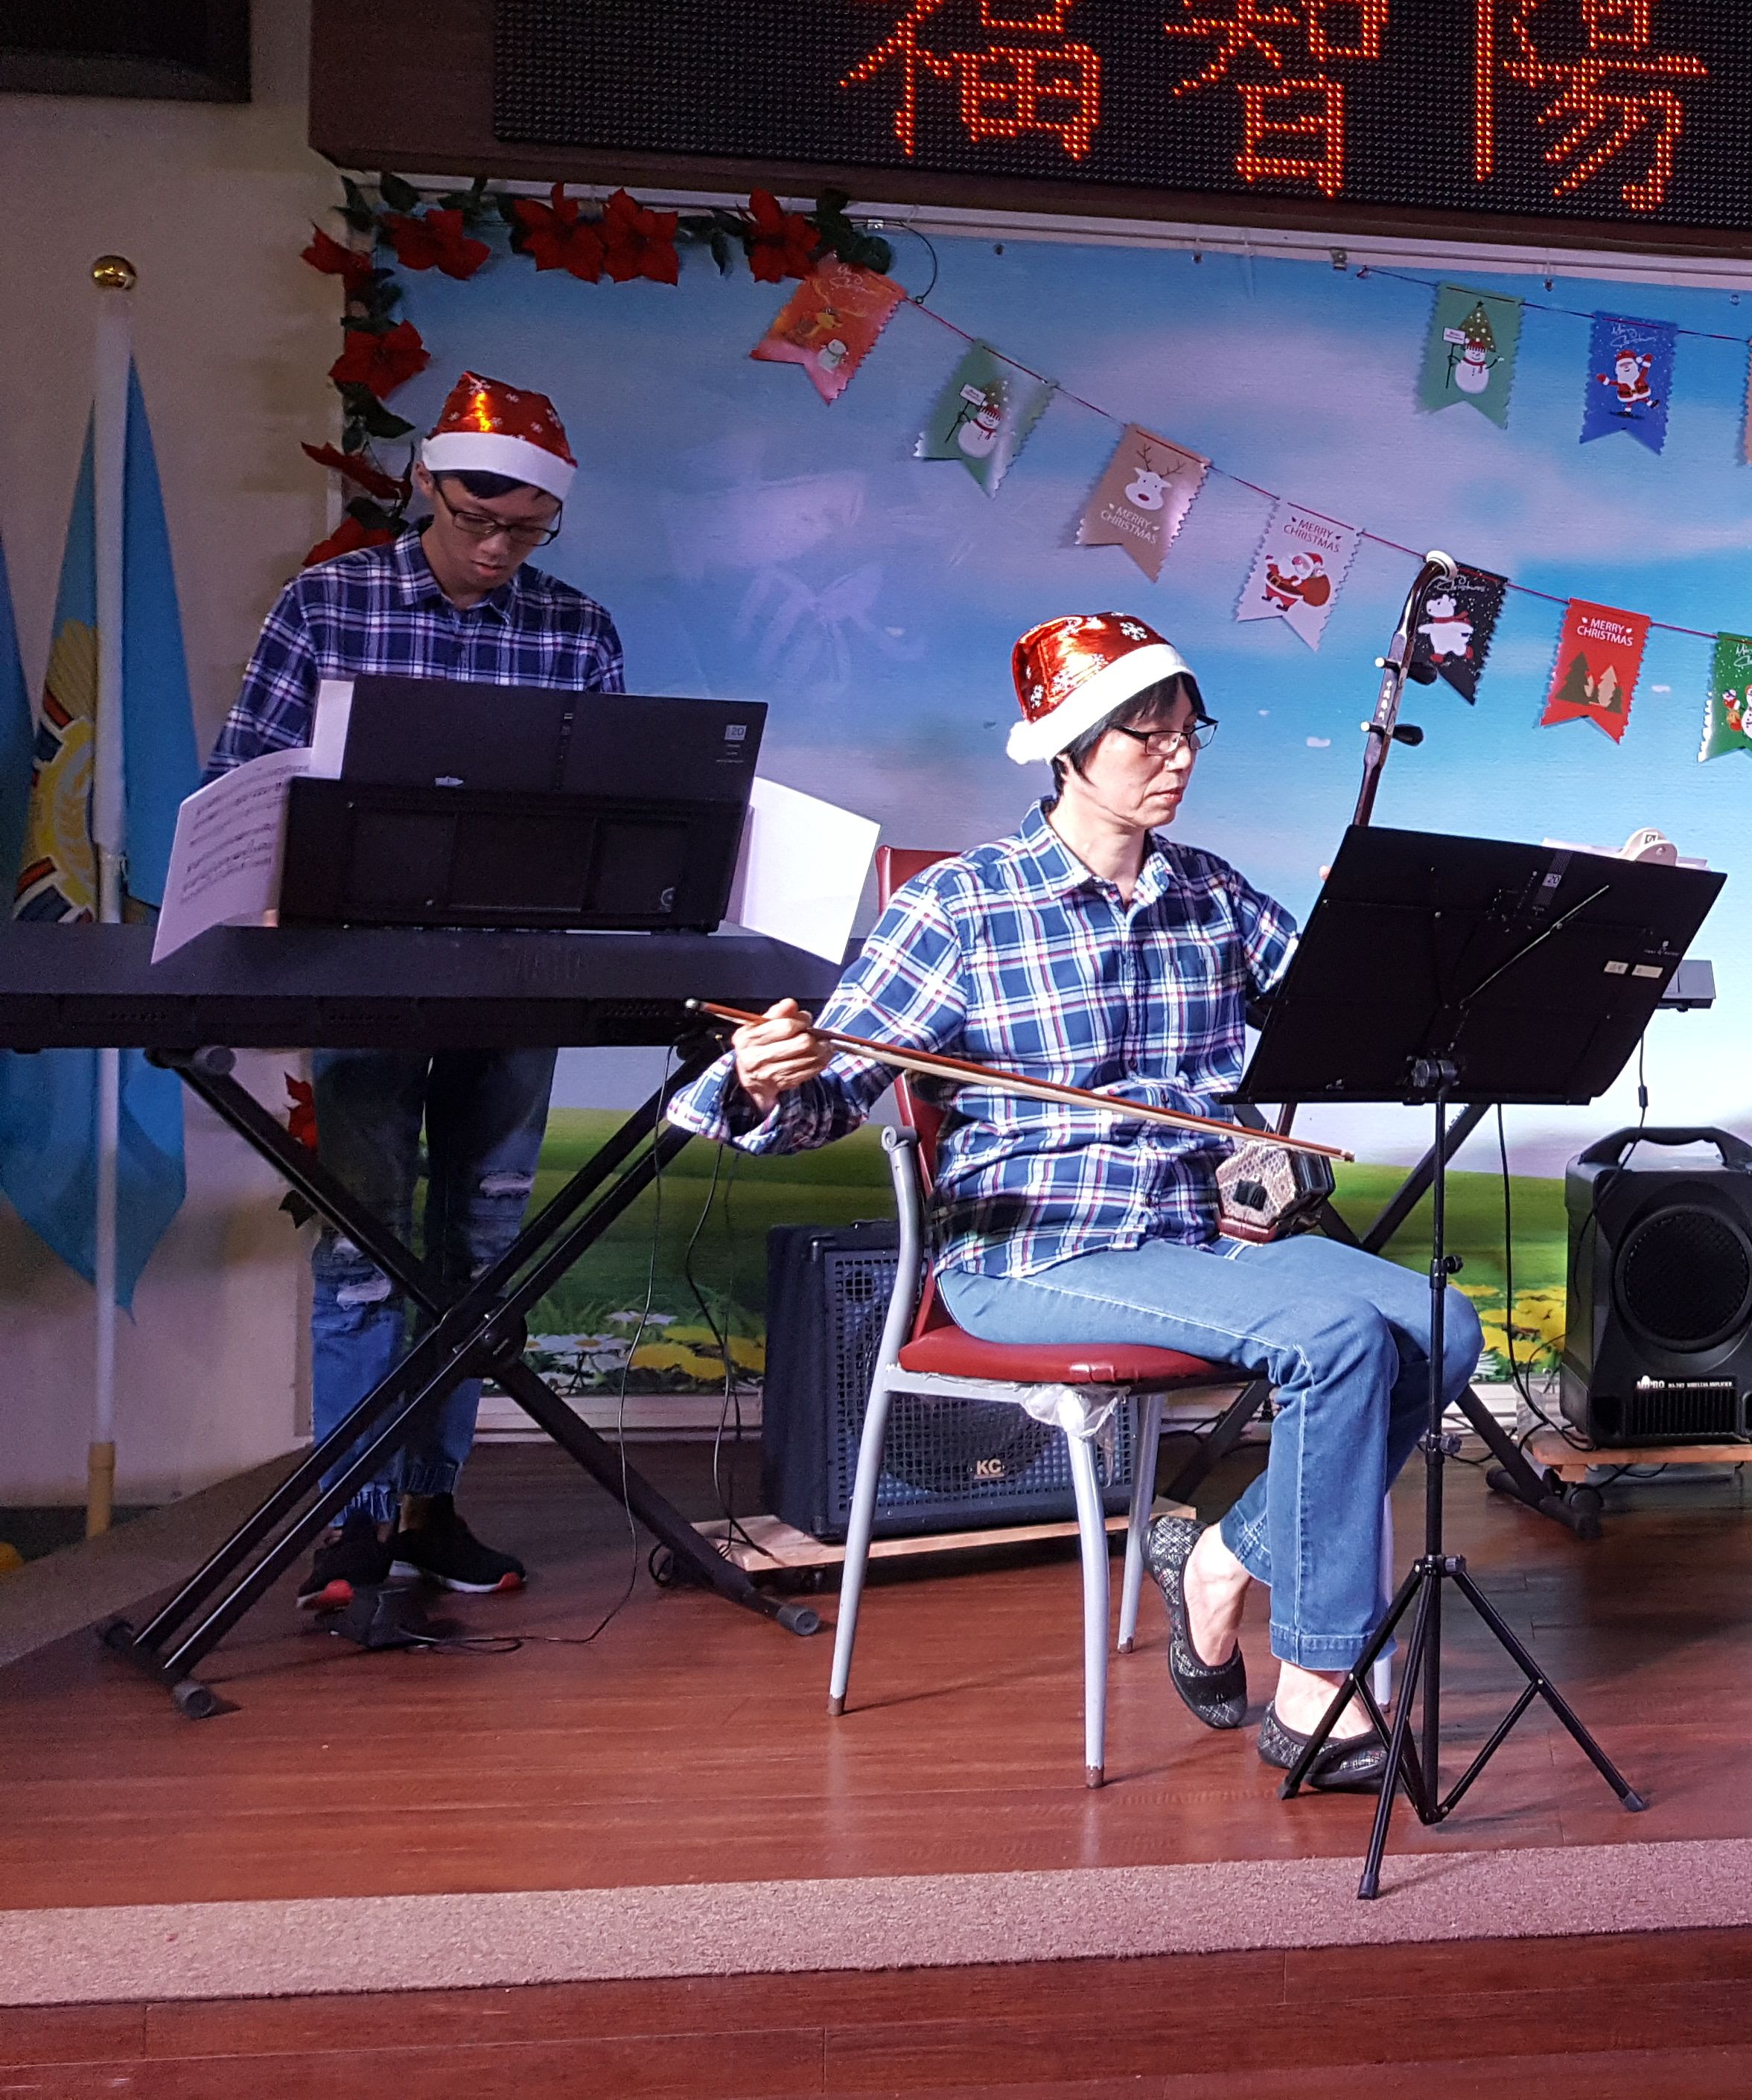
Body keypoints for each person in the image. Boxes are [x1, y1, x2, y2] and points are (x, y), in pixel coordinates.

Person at [682, 614, 1475, 1788]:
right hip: (1034, 1256)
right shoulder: (962, 907)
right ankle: (1319, 1683)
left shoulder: (1211, 894)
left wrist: (1406, 940)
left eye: (1189, 733)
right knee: (1334, 1339)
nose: (1178, 758)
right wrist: (762, 1078)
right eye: (1145, 737)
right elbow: (832, 1090)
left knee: (1439, 1327)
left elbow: (1346, 1014)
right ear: (1067, 749)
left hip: (1201, 1234)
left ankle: (1221, 1561)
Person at [209, 374, 613, 1614]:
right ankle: (352, 1521)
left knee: (479, 1247)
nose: (496, 550)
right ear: (426, 485)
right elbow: (244, 772)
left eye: (525, 532)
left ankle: (432, 1508)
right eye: (476, 521)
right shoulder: (327, 603)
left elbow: (611, 817)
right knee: (364, 1251)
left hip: (513, 976)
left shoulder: (576, 629)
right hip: (361, 972)